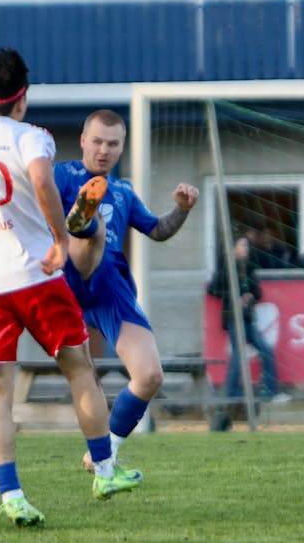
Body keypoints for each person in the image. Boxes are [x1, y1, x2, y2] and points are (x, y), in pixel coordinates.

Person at [0, 49, 141, 527]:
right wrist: (61, 238)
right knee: (79, 369)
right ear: (21, 98)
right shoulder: (31, 137)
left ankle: (12, 495)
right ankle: (104, 470)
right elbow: (41, 179)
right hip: (36, 275)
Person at [55, 109, 199, 469]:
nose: (104, 150)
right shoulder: (60, 175)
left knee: (150, 375)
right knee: (87, 240)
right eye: (98, 141)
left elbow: (158, 230)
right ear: (83, 141)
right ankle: (85, 226)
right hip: (62, 280)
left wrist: (181, 209)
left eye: (113, 143)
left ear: (122, 148)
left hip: (110, 288)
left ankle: (107, 452)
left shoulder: (123, 191)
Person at [207, 234, 291, 404]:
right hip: (233, 319)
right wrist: (233, 298)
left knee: (266, 351)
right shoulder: (226, 269)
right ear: (233, 249)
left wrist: (249, 297)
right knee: (238, 355)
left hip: (248, 318)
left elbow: (258, 292)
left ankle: (270, 392)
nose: (246, 249)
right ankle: (232, 395)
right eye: (242, 246)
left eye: (246, 246)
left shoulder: (249, 268)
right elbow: (212, 290)